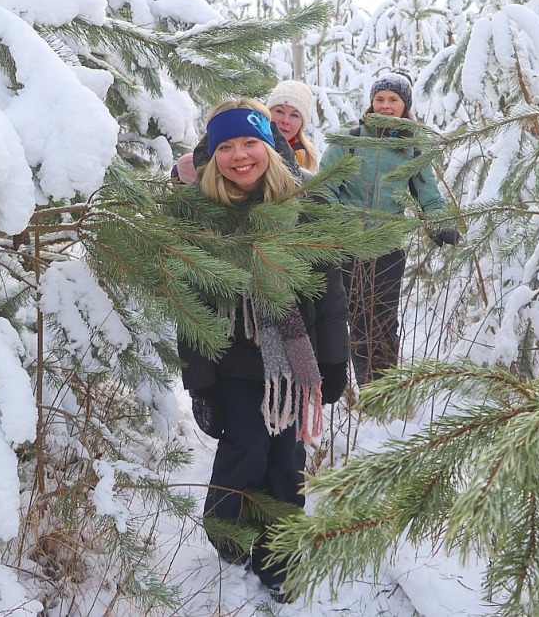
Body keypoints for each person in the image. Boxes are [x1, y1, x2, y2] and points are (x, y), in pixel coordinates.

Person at [177, 98, 349, 600]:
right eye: (226, 146)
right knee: (245, 447)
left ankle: (279, 556)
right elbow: (189, 309)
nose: (240, 155)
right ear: (213, 156)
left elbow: (331, 295)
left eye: (250, 141)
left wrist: (334, 363)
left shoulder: (307, 205)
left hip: (295, 364)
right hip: (230, 361)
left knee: (287, 458)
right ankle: (227, 530)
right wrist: (200, 384)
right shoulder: (202, 218)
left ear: (271, 147)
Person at [319, 72, 460, 387]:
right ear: (371, 102)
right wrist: (337, 223)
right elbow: (323, 189)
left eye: (392, 100)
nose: (385, 106)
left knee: (384, 320)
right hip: (347, 244)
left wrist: (440, 228)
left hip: (388, 246)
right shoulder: (350, 140)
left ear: (404, 106)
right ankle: (363, 391)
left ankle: (384, 391)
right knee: (356, 319)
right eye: (379, 99)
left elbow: (429, 196)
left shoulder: (413, 148)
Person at [267, 80, 317, 171]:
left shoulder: (304, 156)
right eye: (279, 111)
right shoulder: (251, 145)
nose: (285, 121)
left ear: (302, 123)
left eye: (294, 115)